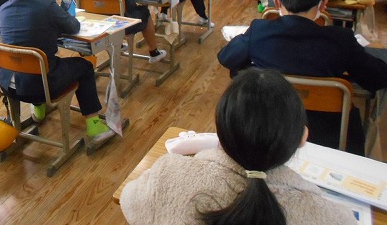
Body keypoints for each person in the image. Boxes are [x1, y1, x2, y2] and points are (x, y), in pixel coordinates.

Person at [120, 68, 356, 225]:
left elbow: (129, 201)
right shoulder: (332, 217)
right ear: (302, 137)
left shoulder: (165, 176)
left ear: (219, 131)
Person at [218, 0, 387, 155]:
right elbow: (377, 78)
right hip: (329, 136)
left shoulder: (259, 31)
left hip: (267, 127)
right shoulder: (341, 40)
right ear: (323, 4)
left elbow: (226, 58)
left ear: (277, 0)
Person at [0, 0, 115, 144]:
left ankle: (38, 110)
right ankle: (95, 126)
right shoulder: (47, 6)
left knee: (31, 63)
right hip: (41, 86)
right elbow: (73, 27)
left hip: (8, 85)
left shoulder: (2, 9)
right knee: (84, 66)